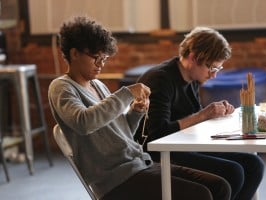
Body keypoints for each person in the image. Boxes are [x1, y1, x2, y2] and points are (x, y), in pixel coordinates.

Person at [48, 16, 232, 200]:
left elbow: (123, 132)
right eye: (96, 58)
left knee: (220, 186)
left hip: (138, 164)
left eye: (104, 59)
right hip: (114, 179)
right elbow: (83, 123)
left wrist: (136, 112)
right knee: (200, 195)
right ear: (74, 54)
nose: (101, 65)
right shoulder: (62, 87)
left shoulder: (98, 85)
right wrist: (126, 94)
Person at [136, 27, 265, 200]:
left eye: (217, 69)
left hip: (183, 146)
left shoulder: (192, 79)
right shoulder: (160, 80)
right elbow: (155, 135)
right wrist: (203, 115)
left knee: (254, 164)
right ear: (192, 57)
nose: (213, 75)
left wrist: (216, 114)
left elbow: (194, 122)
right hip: (160, 154)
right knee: (234, 172)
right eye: (211, 68)